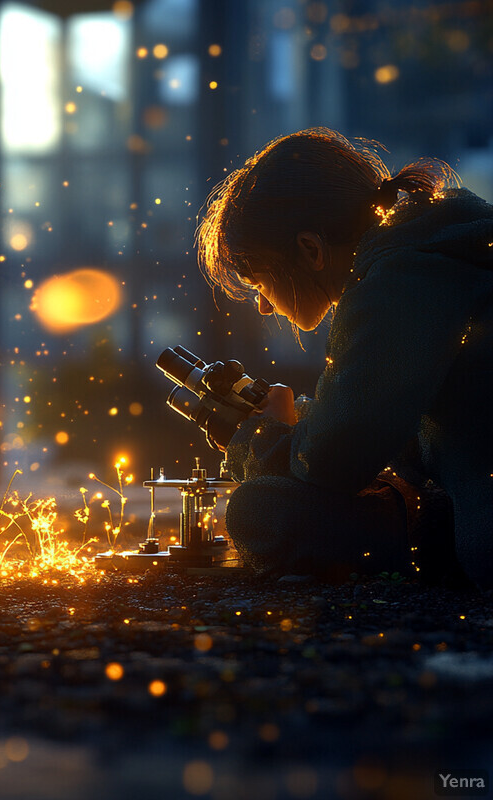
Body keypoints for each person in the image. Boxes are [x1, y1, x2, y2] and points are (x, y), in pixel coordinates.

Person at [196, 128, 493, 588]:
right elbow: (395, 432)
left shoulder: (396, 278)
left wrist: (262, 437)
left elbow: (335, 462)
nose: (264, 306)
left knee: (259, 511)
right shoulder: (440, 242)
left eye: (258, 281)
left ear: (311, 249)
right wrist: (305, 426)